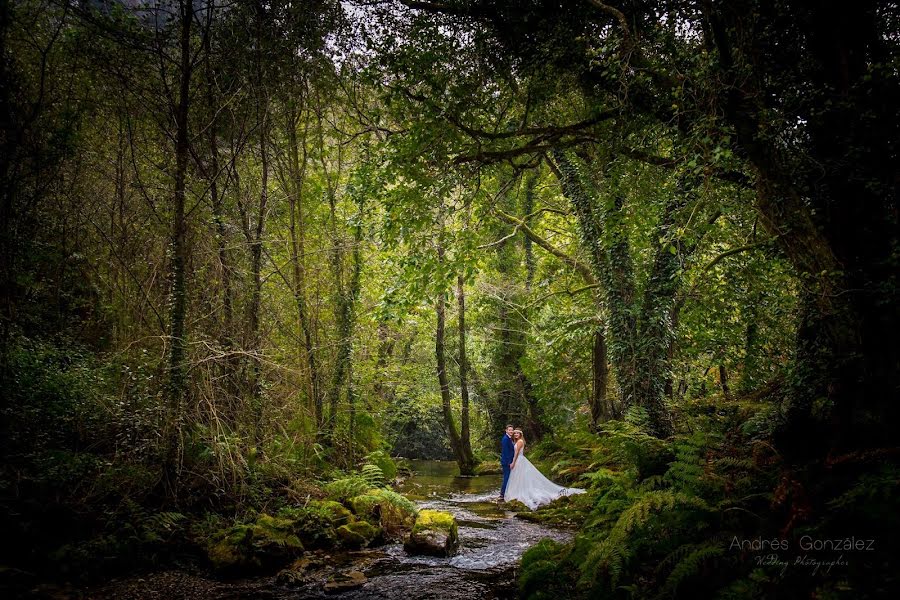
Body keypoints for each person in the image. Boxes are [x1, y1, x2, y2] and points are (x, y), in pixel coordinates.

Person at [504, 429, 586, 510]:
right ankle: (519, 492)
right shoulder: (517, 441)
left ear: (520, 434)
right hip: (520, 460)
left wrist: (513, 463)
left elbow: (517, 453)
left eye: (517, 433)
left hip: (519, 460)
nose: (516, 435)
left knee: (521, 477)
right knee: (520, 477)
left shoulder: (520, 442)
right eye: (515, 433)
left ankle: (521, 493)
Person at [499, 424, 515, 500]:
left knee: (509, 477)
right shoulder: (505, 439)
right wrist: (510, 463)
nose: (511, 431)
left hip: (508, 461)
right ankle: (502, 494)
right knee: (507, 477)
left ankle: (505, 492)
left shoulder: (509, 438)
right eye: (509, 430)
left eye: (512, 430)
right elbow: (506, 452)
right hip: (507, 462)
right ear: (506, 430)